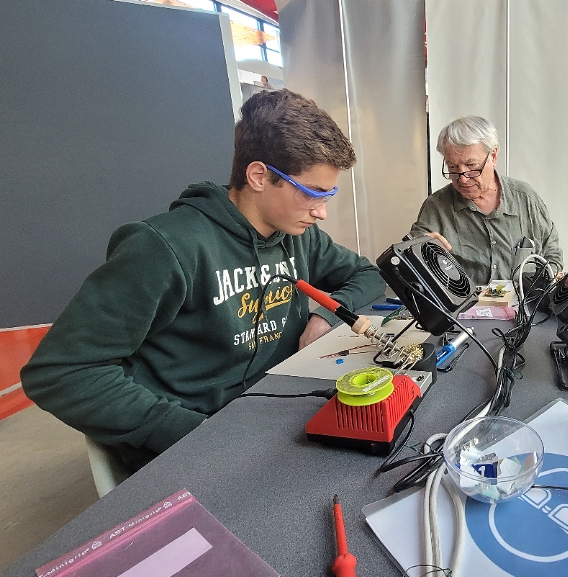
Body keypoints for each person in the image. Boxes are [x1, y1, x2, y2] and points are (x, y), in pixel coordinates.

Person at [21, 89, 385, 470]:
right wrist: (192, 433)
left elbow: (368, 275)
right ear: (259, 176)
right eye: (313, 193)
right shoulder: (164, 248)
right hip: (197, 444)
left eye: (329, 195)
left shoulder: (299, 237)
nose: (322, 212)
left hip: (275, 414)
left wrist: (324, 317)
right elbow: (60, 372)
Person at [408, 115, 563, 285]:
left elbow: (552, 255)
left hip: (523, 300)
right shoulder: (436, 207)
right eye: (452, 167)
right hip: (465, 302)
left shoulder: (525, 199)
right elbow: (407, 264)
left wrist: (538, 286)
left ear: (493, 156)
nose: (463, 178)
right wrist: (418, 250)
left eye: (471, 166)